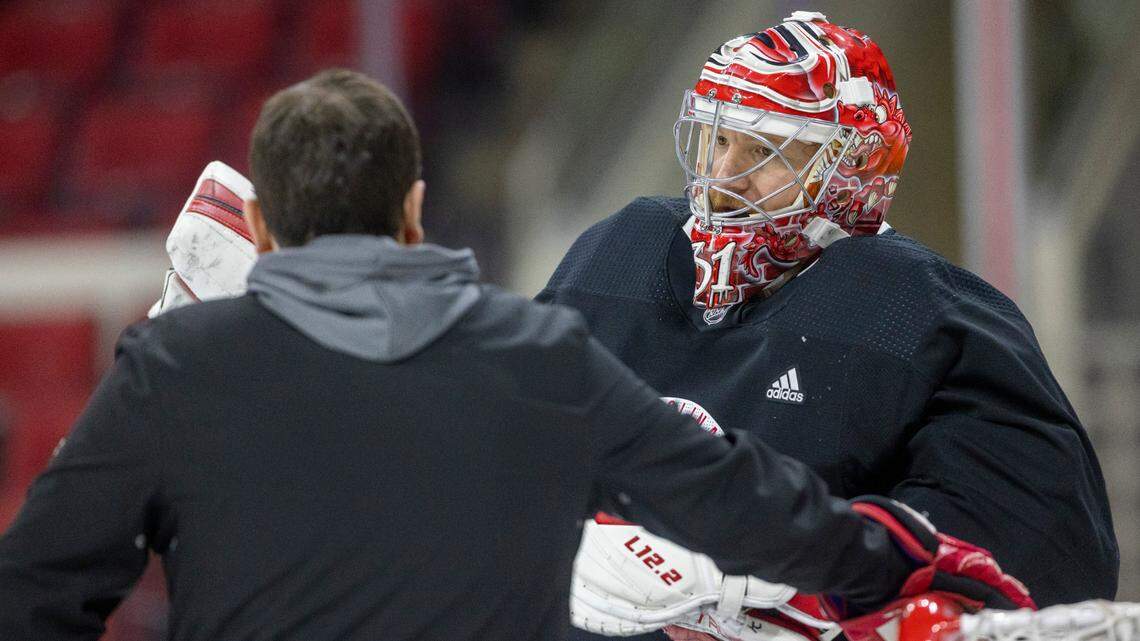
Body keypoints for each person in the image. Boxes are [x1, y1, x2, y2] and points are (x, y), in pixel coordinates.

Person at [0, 69, 1028, 641]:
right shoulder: (537, 353)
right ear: (413, 208)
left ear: (263, 226)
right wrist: (899, 564)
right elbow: (733, 501)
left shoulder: (172, 370)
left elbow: (35, 589)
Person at [535, 11, 1119, 641]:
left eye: (766, 150)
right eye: (717, 139)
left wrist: (786, 587)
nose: (723, 181)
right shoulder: (618, 254)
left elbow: (1040, 554)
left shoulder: (922, 316)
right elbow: (497, 439)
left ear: (854, 168)